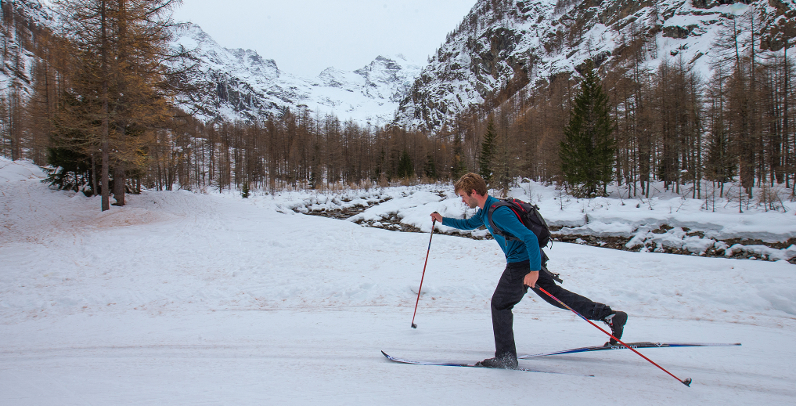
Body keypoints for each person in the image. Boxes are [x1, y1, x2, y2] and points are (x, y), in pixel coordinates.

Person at [431, 173, 627, 369]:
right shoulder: (486, 209)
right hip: (529, 260)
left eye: (463, 196)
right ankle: (609, 315)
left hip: (522, 264)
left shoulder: (498, 212)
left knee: (500, 304)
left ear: (474, 192)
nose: (463, 200)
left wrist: (533, 271)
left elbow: (530, 238)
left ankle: (506, 358)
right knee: (556, 296)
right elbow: (468, 224)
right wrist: (442, 220)